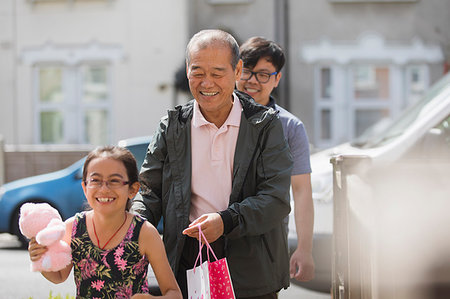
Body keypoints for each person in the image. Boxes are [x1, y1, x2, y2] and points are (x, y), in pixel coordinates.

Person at [131, 29, 293, 299]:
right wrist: (132, 230)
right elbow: (149, 193)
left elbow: (275, 199)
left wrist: (226, 221)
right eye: (198, 72)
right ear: (187, 70)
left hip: (251, 268)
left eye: (217, 73)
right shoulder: (173, 126)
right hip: (187, 263)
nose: (207, 83)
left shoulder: (264, 124)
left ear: (237, 69)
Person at [28, 146, 182, 299]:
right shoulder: (73, 227)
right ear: (85, 187)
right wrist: (40, 257)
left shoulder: (144, 233)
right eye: (95, 180)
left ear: (133, 189)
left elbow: (174, 293)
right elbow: (59, 276)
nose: (104, 188)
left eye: (114, 180)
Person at [236, 37, 315, 282]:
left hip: (268, 242)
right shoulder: (217, 117)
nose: (252, 81)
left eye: (263, 74)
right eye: (247, 71)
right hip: (217, 237)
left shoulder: (290, 127)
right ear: (236, 70)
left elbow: (301, 190)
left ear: (277, 79)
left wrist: (304, 249)